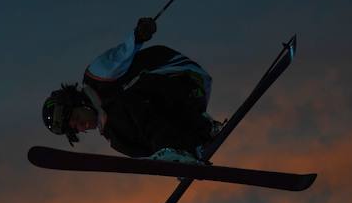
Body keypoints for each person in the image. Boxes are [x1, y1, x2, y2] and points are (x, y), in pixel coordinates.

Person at [42, 17, 223, 163]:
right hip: (175, 106)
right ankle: (191, 146)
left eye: (76, 118)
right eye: (76, 129)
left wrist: (139, 34)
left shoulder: (96, 76)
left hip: (183, 79)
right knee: (121, 141)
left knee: (123, 104)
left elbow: (122, 54)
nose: (82, 127)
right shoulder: (110, 131)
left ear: (76, 102)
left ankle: (195, 130)